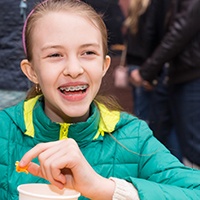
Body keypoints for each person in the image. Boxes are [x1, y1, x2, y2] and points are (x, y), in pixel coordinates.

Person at [0, 0, 200, 199]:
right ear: (32, 71)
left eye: (88, 53)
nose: (74, 70)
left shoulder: (133, 137)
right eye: (55, 54)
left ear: (104, 66)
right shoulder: (5, 131)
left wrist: (105, 189)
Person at [131, 0, 200, 168]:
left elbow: (180, 32)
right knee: (165, 138)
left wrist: (146, 71)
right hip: (175, 74)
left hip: (191, 74)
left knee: (193, 147)